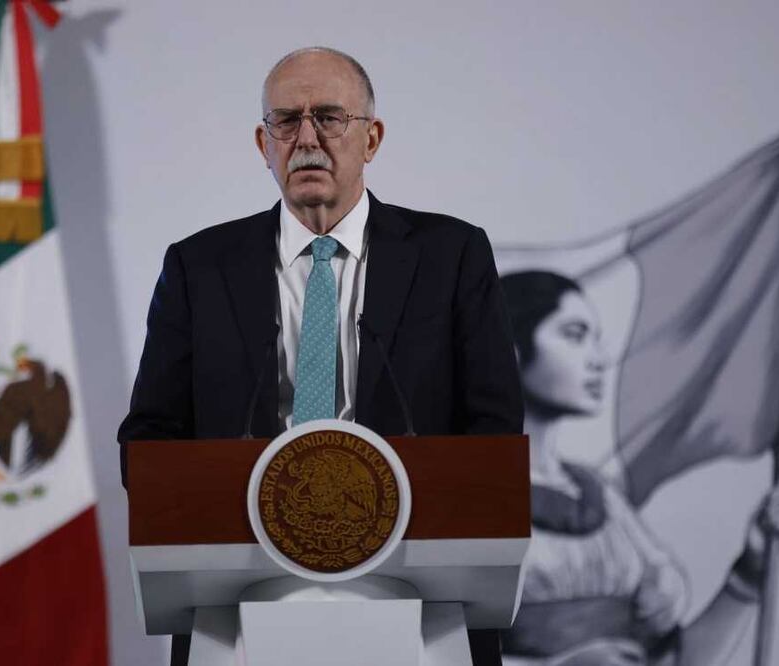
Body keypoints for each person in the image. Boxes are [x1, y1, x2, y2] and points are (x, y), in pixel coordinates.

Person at [119, 47, 524, 665]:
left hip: (422, 603)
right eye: (286, 121)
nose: (306, 139)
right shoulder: (199, 267)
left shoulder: (452, 255)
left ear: (371, 138)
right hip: (239, 608)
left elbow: (493, 430)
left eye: (329, 117)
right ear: (264, 143)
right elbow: (149, 439)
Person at [498, 270, 779, 666]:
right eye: (574, 335)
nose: (599, 360)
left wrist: (750, 571)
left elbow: (676, 661)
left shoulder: (604, 500)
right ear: (507, 351)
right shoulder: (456, 492)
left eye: (596, 339)